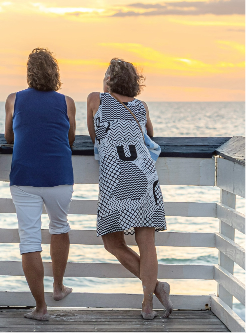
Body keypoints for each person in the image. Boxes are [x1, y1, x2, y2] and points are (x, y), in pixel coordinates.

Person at [87, 58, 173, 320]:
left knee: (112, 242)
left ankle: (156, 289)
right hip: (144, 176)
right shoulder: (141, 106)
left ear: (109, 80)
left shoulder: (96, 99)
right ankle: (148, 302)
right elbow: (149, 136)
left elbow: (95, 137)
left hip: (116, 179)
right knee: (146, 242)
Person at [5, 48, 76, 321]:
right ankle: (58, 287)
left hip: (24, 177)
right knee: (60, 227)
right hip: (59, 175)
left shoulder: (14, 99)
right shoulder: (66, 102)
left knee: (30, 241)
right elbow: (69, 139)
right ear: (55, 73)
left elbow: (9, 137)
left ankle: (41, 308)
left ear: (29, 72)